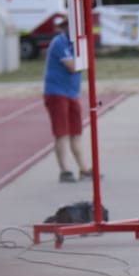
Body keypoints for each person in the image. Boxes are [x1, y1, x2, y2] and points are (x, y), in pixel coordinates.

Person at [42, 16, 90, 183]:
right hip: (57, 92)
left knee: (76, 132)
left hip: (72, 93)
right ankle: (65, 170)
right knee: (62, 133)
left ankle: (83, 168)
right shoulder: (60, 43)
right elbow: (72, 67)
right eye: (68, 26)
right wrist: (85, 62)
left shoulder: (77, 44)